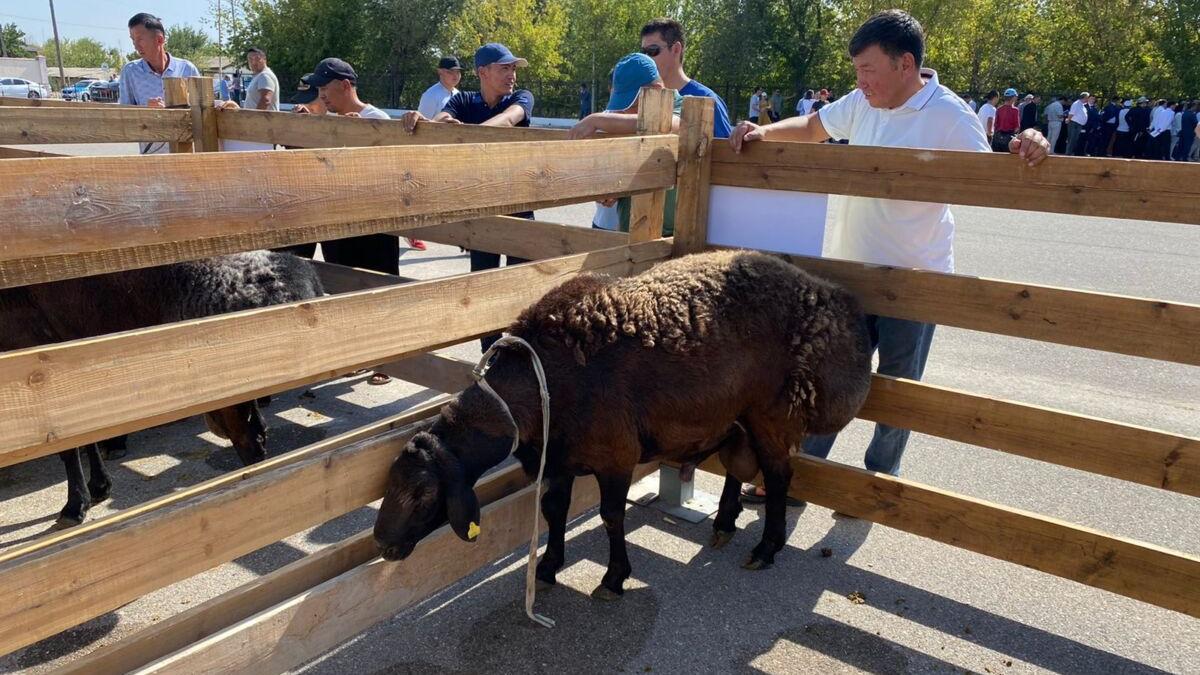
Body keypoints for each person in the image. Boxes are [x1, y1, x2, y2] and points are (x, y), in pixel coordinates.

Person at [730, 10, 1048, 499]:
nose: (860, 81)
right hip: (850, 273)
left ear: (905, 65)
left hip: (914, 278)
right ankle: (803, 480)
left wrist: (1029, 143)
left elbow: (990, 176)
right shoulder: (862, 102)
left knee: (899, 387)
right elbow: (814, 127)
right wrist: (764, 133)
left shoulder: (948, 114)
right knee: (827, 377)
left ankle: (877, 484)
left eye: (867, 70)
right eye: (857, 71)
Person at [400, 43, 535, 350]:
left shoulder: (520, 97)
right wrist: (421, 121)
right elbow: (443, 123)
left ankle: (524, 361)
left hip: (520, 211)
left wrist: (468, 135)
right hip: (482, 212)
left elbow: (510, 119)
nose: (512, 74)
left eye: (513, 68)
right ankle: (491, 361)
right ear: (482, 72)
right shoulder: (463, 99)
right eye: (505, 68)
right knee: (483, 288)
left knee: (521, 291)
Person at [569, 53, 682, 237]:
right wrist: (611, 187)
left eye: (632, 103)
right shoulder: (622, 118)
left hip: (670, 235)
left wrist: (596, 119)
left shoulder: (681, 107)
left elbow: (666, 124)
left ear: (656, 90)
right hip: (629, 229)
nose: (624, 111)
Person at [119, 13, 203, 155]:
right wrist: (147, 110)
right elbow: (123, 114)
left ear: (159, 39)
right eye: (133, 40)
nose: (135, 46)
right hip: (151, 156)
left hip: (188, 153)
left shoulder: (187, 69)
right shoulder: (130, 72)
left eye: (140, 39)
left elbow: (202, 109)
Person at [639, 17, 733, 139]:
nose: (646, 59)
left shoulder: (708, 100)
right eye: (643, 52)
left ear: (676, 49)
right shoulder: (642, 97)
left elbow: (727, 155)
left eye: (652, 51)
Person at [243, 47, 279, 111]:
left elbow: (265, 100)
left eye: (257, 59)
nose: (253, 62)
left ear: (264, 59)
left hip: (262, 120)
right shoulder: (258, 76)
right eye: (250, 59)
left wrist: (254, 118)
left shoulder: (265, 75)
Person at [1066, 91, 1089, 156]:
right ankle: (1068, 153)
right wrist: (1068, 120)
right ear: (1084, 97)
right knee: (1071, 139)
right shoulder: (1076, 104)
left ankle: (1070, 153)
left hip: (1078, 125)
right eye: (1087, 98)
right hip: (1074, 124)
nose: (1088, 99)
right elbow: (1071, 113)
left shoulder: (1082, 105)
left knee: (1075, 139)